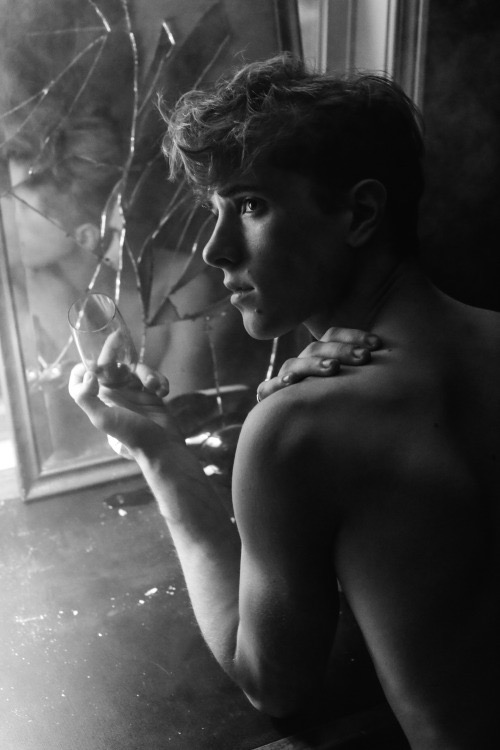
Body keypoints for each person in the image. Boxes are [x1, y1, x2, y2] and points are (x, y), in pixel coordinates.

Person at [69, 54, 500, 749]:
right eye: (215, 211)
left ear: (360, 212)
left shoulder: (301, 428)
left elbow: (271, 682)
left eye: (250, 205)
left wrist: (159, 450)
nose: (215, 250)